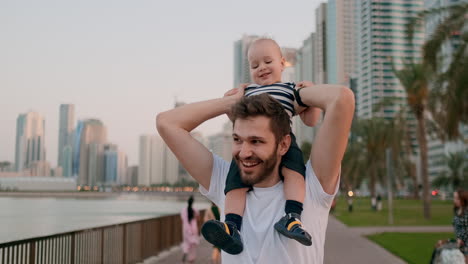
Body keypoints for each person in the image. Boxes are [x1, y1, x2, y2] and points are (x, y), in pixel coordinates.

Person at [156, 74, 354, 262]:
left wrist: (295, 94)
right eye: (237, 140)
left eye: (256, 141)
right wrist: (230, 102)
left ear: (284, 144)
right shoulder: (224, 181)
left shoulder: (311, 185)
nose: (244, 152)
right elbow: (166, 123)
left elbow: (342, 99)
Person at [201, 38, 322, 254]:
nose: (262, 68)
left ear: (282, 63)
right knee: (234, 184)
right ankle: (231, 226)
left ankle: (292, 218)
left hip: (283, 140)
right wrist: (230, 98)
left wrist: (311, 93)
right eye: (255, 65)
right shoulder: (248, 92)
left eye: (268, 61)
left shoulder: (291, 89)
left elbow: (311, 120)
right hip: (255, 144)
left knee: (295, 174)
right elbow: (236, 120)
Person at [180, 196, 200, 263]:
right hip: (193, 229)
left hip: (186, 229)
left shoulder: (183, 210)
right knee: (193, 246)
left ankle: (185, 252)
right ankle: (191, 260)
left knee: (186, 243)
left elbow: (183, 220)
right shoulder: (195, 210)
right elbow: (198, 218)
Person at [453, 190, 468, 262]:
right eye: (454, 198)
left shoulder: (466, 212)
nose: (455, 200)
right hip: (460, 244)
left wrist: (460, 239)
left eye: (457, 198)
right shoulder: (457, 210)